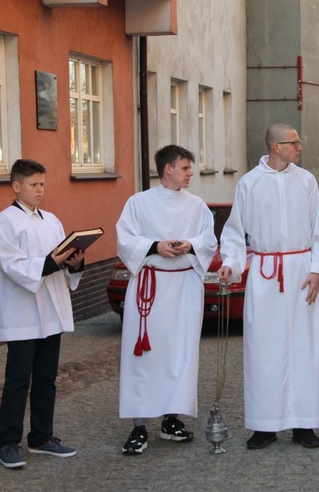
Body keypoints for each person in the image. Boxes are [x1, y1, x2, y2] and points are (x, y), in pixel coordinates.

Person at [218, 123, 319, 450]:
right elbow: (234, 232)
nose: (300, 146)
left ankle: (304, 423)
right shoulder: (249, 184)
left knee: (304, 349)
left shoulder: (306, 180)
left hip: (301, 274)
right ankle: (265, 425)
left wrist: (317, 270)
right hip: (266, 274)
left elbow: (318, 229)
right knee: (264, 352)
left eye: (298, 141)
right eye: (293, 142)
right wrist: (231, 263)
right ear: (275, 147)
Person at [116, 145, 216, 456]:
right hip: (151, 287)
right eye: (185, 167)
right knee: (145, 356)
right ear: (168, 169)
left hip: (185, 286)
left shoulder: (197, 205)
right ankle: (139, 425)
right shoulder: (138, 202)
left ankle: (171, 419)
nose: (190, 173)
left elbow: (209, 240)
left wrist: (191, 244)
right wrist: (156, 246)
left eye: (190, 168)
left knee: (179, 353)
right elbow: (124, 239)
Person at [0, 159, 85, 469]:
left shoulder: (52, 220)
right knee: (18, 379)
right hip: (22, 311)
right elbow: (11, 264)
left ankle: (42, 437)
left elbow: (61, 261)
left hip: (51, 309)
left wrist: (74, 262)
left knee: (46, 377)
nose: (40, 190)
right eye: (34, 184)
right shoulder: (6, 221)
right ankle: (6, 443)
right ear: (16, 187)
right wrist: (50, 263)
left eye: (42, 184)